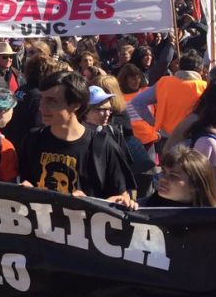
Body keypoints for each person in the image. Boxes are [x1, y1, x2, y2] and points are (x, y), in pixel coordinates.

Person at [19, 72, 135, 207]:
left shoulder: (104, 146)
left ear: (76, 104)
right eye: (42, 99)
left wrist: (90, 204)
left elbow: (121, 197)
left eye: (52, 101)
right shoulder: (32, 140)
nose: (41, 107)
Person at [131, 50, 207, 143]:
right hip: (192, 139)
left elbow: (137, 101)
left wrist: (154, 122)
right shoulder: (204, 87)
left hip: (166, 138)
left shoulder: (164, 82)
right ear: (200, 70)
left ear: (180, 67)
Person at [143, 145, 216, 207]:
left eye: (173, 175)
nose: (162, 179)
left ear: (195, 184)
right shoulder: (145, 208)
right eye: (163, 172)